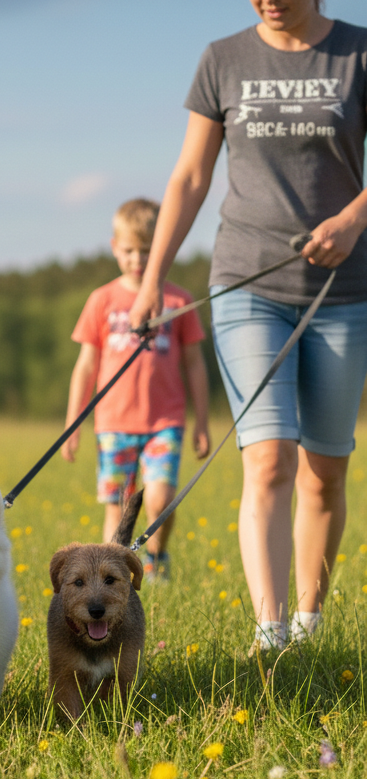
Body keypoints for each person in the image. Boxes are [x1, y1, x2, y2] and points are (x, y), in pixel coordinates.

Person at [129, 0, 367, 652]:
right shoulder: (223, 59)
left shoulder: (357, 53)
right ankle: (271, 634)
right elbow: (190, 176)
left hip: (343, 290)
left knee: (325, 469)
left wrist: (353, 221)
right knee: (267, 460)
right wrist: (152, 281)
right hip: (247, 283)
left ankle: (309, 626)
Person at [62, 198, 211, 584]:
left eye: (147, 250)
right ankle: (110, 579)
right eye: (129, 250)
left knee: (159, 499)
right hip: (113, 424)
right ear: (115, 247)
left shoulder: (178, 301)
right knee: (117, 508)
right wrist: (72, 425)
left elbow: (195, 365)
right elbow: (86, 366)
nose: (137, 259)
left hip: (165, 421)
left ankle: (157, 558)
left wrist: (202, 423)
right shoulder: (102, 300)